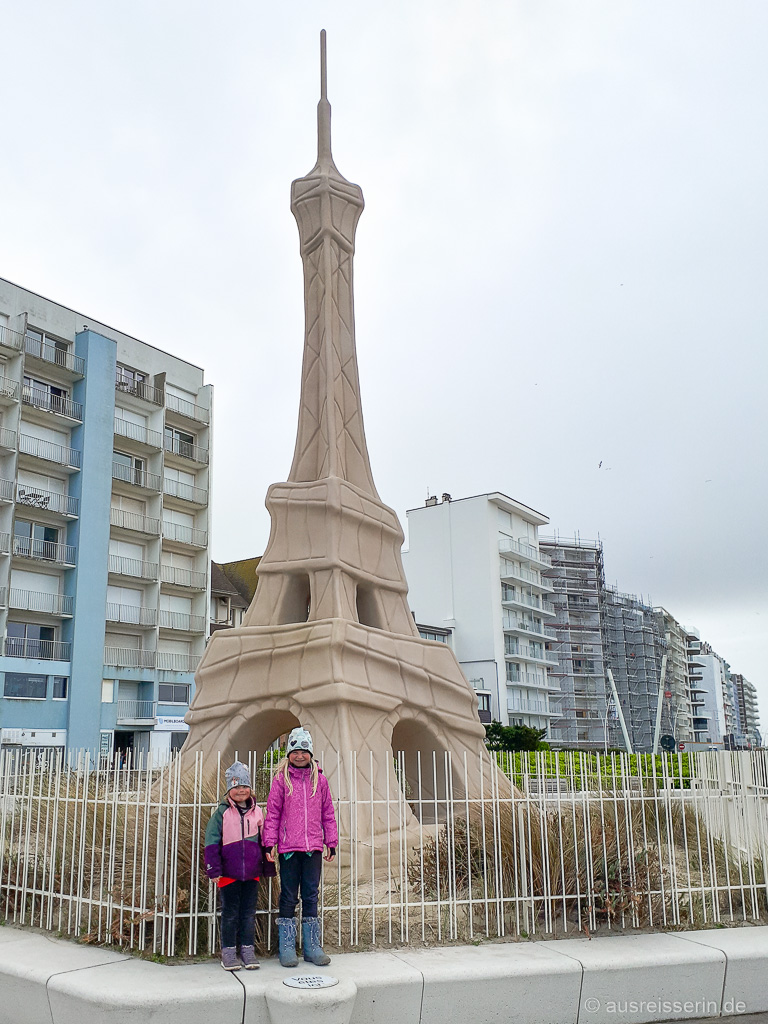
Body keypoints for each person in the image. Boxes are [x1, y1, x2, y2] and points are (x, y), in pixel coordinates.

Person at [263, 727, 338, 967]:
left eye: (304, 751)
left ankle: (312, 946)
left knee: (310, 895)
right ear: (289, 754)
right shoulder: (281, 780)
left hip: (313, 847)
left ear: (310, 753)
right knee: (288, 896)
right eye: (295, 751)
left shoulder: (320, 781)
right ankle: (286, 947)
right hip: (288, 848)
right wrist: (270, 842)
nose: (299, 756)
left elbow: (328, 813)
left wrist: (331, 841)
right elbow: (273, 813)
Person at [204, 760, 274, 971]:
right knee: (230, 913)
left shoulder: (258, 812)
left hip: (251, 873)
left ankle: (247, 950)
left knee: (248, 913)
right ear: (228, 790)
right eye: (235, 787)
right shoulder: (221, 813)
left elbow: (265, 840)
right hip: (228, 874)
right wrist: (213, 868)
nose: (240, 790)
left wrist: (268, 862)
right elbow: (211, 841)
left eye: (244, 786)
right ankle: (228, 952)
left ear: (250, 788)